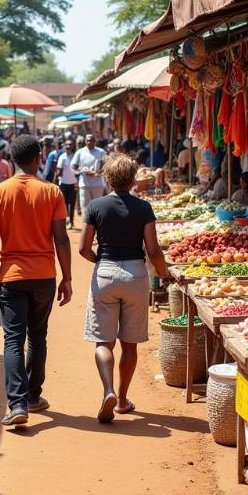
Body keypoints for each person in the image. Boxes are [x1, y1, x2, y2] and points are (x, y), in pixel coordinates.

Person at [0, 134, 72, 427]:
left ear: (11, 159)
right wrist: (67, 277)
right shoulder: (52, 192)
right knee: (38, 336)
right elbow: (61, 238)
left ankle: (17, 403)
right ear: (38, 158)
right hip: (44, 275)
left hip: (11, 276)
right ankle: (33, 396)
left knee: (13, 340)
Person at [79, 154, 168, 422]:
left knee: (103, 342)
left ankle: (106, 389)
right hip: (135, 275)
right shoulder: (143, 208)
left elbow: (83, 249)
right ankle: (121, 399)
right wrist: (163, 274)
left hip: (105, 273)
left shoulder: (95, 206)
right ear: (132, 180)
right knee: (129, 344)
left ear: (107, 178)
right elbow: (153, 250)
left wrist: (101, 262)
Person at [71, 133, 106, 216]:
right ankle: (86, 227)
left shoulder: (101, 152)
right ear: (85, 142)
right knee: (85, 208)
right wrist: (81, 171)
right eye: (88, 140)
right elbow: (73, 166)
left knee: (98, 207)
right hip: (84, 184)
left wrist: (98, 172)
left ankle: (97, 227)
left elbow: (106, 165)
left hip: (98, 184)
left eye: (92, 140)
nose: (90, 142)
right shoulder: (80, 152)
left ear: (95, 141)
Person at [56, 139, 78, 229]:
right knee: (63, 203)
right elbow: (59, 170)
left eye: (70, 145)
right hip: (63, 183)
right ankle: (65, 220)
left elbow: (77, 169)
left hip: (73, 183)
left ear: (72, 147)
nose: (68, 147)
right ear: (64, 146)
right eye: (67, 145)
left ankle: (71, 222)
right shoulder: (62, 157)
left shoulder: (75, 156)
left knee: (72, 203)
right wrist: (56, 180)